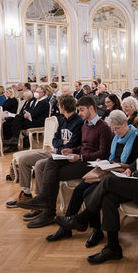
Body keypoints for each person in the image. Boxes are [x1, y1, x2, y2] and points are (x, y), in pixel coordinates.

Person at [54, 102, 138, 264]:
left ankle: (82, 218)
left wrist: (132, 172)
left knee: (110, 180)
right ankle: (113, 247)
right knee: (108, 198)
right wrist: (131, 169)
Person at [46, 110, 138, 245]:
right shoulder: (116, 138)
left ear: (125, 123)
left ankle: (96, 230)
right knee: (79, 189)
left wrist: (115, 164)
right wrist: (102, 162)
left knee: (88, 193)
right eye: (113, 129)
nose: (115, 132)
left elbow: (136, 166)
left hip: (122, 174)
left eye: (117, 128)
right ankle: (66, 228)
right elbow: (110, 156)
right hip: (109, 170)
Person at [17, 96, 113, 228]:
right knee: (51, 161)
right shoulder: (86, 125)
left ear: (91, 108)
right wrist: (71, 150)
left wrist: (78, 157)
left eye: (81, 110)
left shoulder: (103, 127)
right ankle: (45, 202)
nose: (79, 113)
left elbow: (103, 154)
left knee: (52, 171)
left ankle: (48, 211)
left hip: (92, 164)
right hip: (81, 158)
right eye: (78, 110)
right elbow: (82, 146)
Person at [5, 95, 83, 222]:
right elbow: (55, 140)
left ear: (62, 107)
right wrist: (62, 143)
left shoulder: (78, 122)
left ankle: (39, 201)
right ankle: (26, 194)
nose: (58, 106)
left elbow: (73, 144)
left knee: (41, 164)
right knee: (24, 160)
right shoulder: (63, 120)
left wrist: (62, 144)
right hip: (54, 152)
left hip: (64, 156)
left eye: (59, 104)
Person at [4, 86, 50, 153]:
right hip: (31, 119)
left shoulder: (44, 102)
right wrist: (27, 113)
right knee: (15, 121)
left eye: (37, 92)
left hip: (38, 122)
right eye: (35, 91)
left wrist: (28, 114)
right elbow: (28, 109)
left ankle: (14, 144)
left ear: (42, 93)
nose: (35, 93)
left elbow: (35, 113)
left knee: (17, 119)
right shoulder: (36, 100)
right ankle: (14, 143)